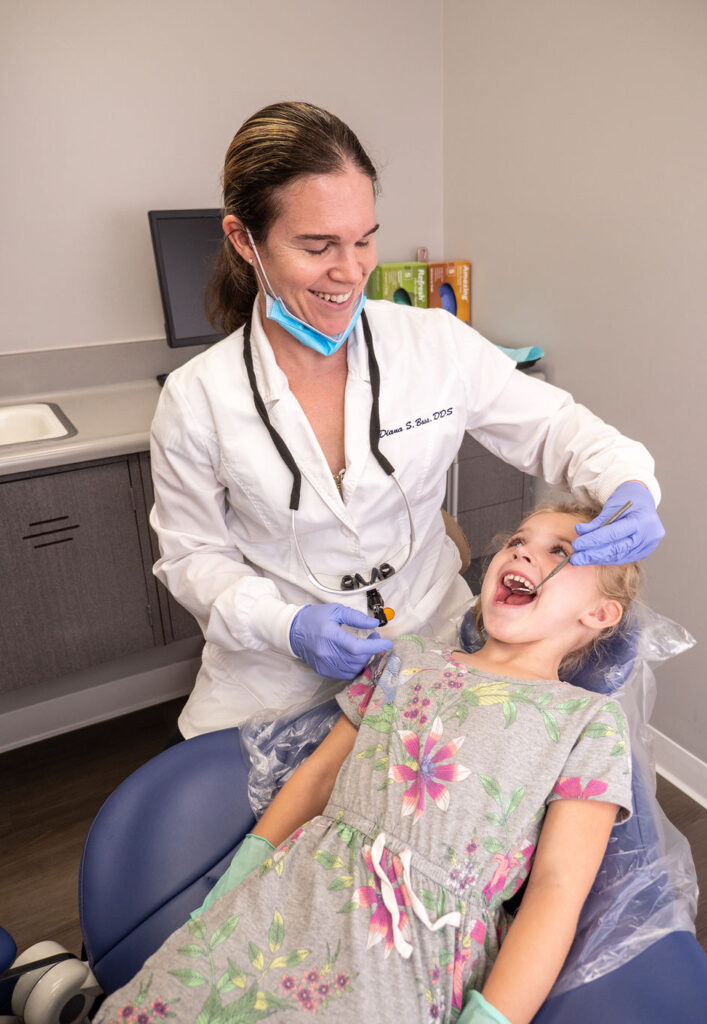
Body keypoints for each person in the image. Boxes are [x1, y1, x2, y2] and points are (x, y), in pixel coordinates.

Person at [149, 100, 663, 738]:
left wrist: (631, 485)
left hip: (433, 639)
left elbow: (558, 429)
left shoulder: (433, 345)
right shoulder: (196, 399)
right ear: (243, 241)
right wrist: (285, 627)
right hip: (271, 666)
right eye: (317, 246)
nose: (351, 271)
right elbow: (192, 555)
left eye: (364, 239)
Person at [95, 501, 640, 1024]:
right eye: (518, 541)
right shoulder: (407, 660)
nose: (523, 553)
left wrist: (493, 1018)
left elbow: (556, 887)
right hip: (294, 889)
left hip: (410, 945)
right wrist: (239, 880)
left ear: (600, 613)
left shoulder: (588, 722)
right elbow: (317, 778)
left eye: (559, 552)